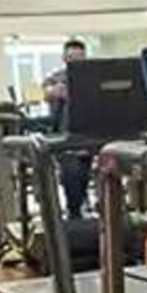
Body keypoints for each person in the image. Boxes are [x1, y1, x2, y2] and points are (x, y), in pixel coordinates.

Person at [44, 39, 91, 214]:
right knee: (70, 174)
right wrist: (55, 91)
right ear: (65, 58)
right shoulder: (57, 78)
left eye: (80, 57)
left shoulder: (91, 77)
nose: (75, 61)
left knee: (83, 176)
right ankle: (74, 210)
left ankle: (80, 206)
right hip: (64, 136)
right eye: (71, 57)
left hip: (86, 135)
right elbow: (48, 92)